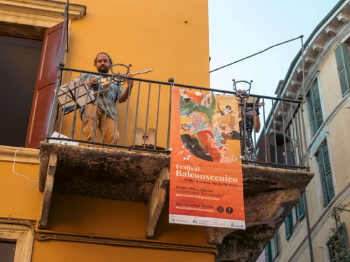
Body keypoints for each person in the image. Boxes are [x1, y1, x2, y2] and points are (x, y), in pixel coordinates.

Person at [63, 52, 134, 146]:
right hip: (91, 105)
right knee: (89, 130)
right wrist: (87, 82)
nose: (102, 63)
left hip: (110, 111)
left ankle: (108, 157)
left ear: (110, 64)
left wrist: (130, 86)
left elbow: (122, 98)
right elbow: (69, 85)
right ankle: (89, 149)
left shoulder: (116, 81)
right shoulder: (88, 75)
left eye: (105, 61)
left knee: (112, 139)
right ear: (96, 64)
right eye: (99, 61)